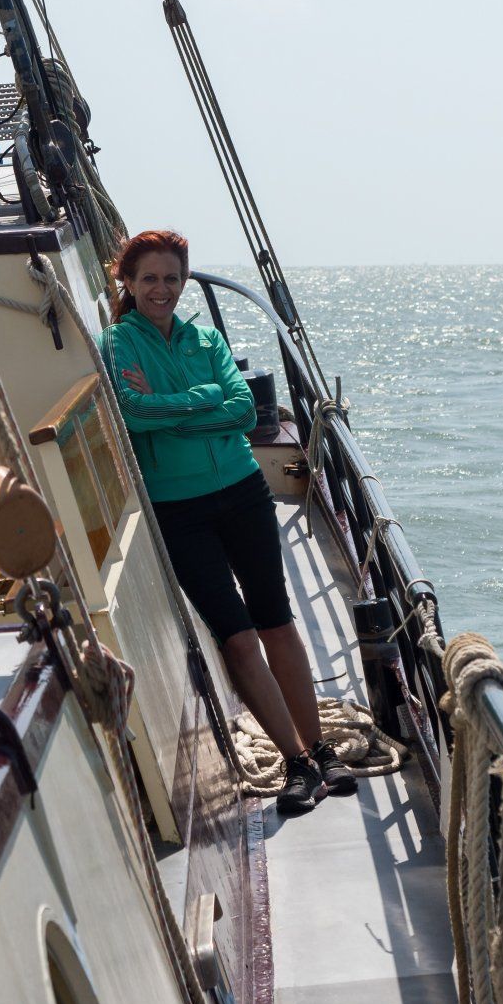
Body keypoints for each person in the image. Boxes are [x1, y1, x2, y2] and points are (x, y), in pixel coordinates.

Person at [100, 229, 358, 814]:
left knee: (277, 622)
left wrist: (176, 408)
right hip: (179, 509)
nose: (161, 289)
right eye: (149, 278)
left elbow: (242, 411)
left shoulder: (206, 337)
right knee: (237, 638)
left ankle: (321, 750)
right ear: (128, 283)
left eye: (171, 278)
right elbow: (134, 413)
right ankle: (295, 763)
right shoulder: (118, 342)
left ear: (184, 281)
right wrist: (204, 398)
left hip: (243, 492)